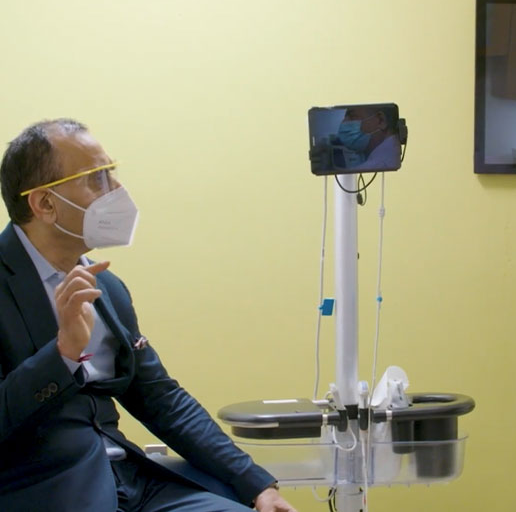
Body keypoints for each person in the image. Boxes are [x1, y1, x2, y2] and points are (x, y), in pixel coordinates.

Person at [0, 119, 298, 512]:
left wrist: (257, 485)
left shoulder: (108, 288)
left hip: (134, 483)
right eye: (97, 178)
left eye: (113, 173)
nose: (118, 191)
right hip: (46, 493)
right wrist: (62, 355)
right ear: (44, 204)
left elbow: (161, 399)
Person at [334, 105, 402, 172]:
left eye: (352, 116)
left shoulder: (378, 165)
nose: (343, 123)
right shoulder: (393, 156)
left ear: (381, 121)